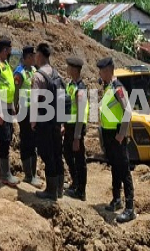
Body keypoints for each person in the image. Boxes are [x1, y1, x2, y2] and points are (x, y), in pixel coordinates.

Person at [98, 57, 136, 222]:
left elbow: (127, 111)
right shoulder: (108, 87)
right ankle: (116, 199)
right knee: (114, 166)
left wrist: (121, 133)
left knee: (124, 170)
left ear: (108, 71)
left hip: (116, 135)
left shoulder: (118, 88)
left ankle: (130, 208)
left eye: (101, 70)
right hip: (108, 134)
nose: (99, 73)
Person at [32, 42, 65, 200]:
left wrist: (33, 121)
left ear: (39, 55)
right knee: (57, 153)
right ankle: (59, 189)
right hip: (56, 121)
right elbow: (63, 99)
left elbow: (34, 101)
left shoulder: (38, 76)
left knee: (47, 154)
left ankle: (51, 191)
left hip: (44, 121)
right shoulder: (57, 74)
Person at [0, 38, 19, 186]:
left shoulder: (5, 64)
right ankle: (5, 174)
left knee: (7, 136)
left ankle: (2, 171)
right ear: (4, 50)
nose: (10, 53)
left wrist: (11, 105)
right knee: (3, 138)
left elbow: (9, 85)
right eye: (9, 50)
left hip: (7, 106)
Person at [14, 45, 42, 187]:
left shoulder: (34, 70)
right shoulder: (19, 73)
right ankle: (28, 175)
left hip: (33, 110)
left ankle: (34, 173)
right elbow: (16, 92)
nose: (34, 58)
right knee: (26, 141)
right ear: (26, 57)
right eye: (31, 56)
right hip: (24, 111)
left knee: (34, 141)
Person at [64, 56, 89, 200]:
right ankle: (75, 182)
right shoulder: (70, 85)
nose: (67, 69)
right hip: (69, 126)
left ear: (74, 69)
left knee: (79, 158)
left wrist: (77, 137)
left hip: (77, 128)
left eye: (69, 67)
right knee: (67, 153)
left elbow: (80, 113)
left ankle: (81, 191)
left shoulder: (80, 89)